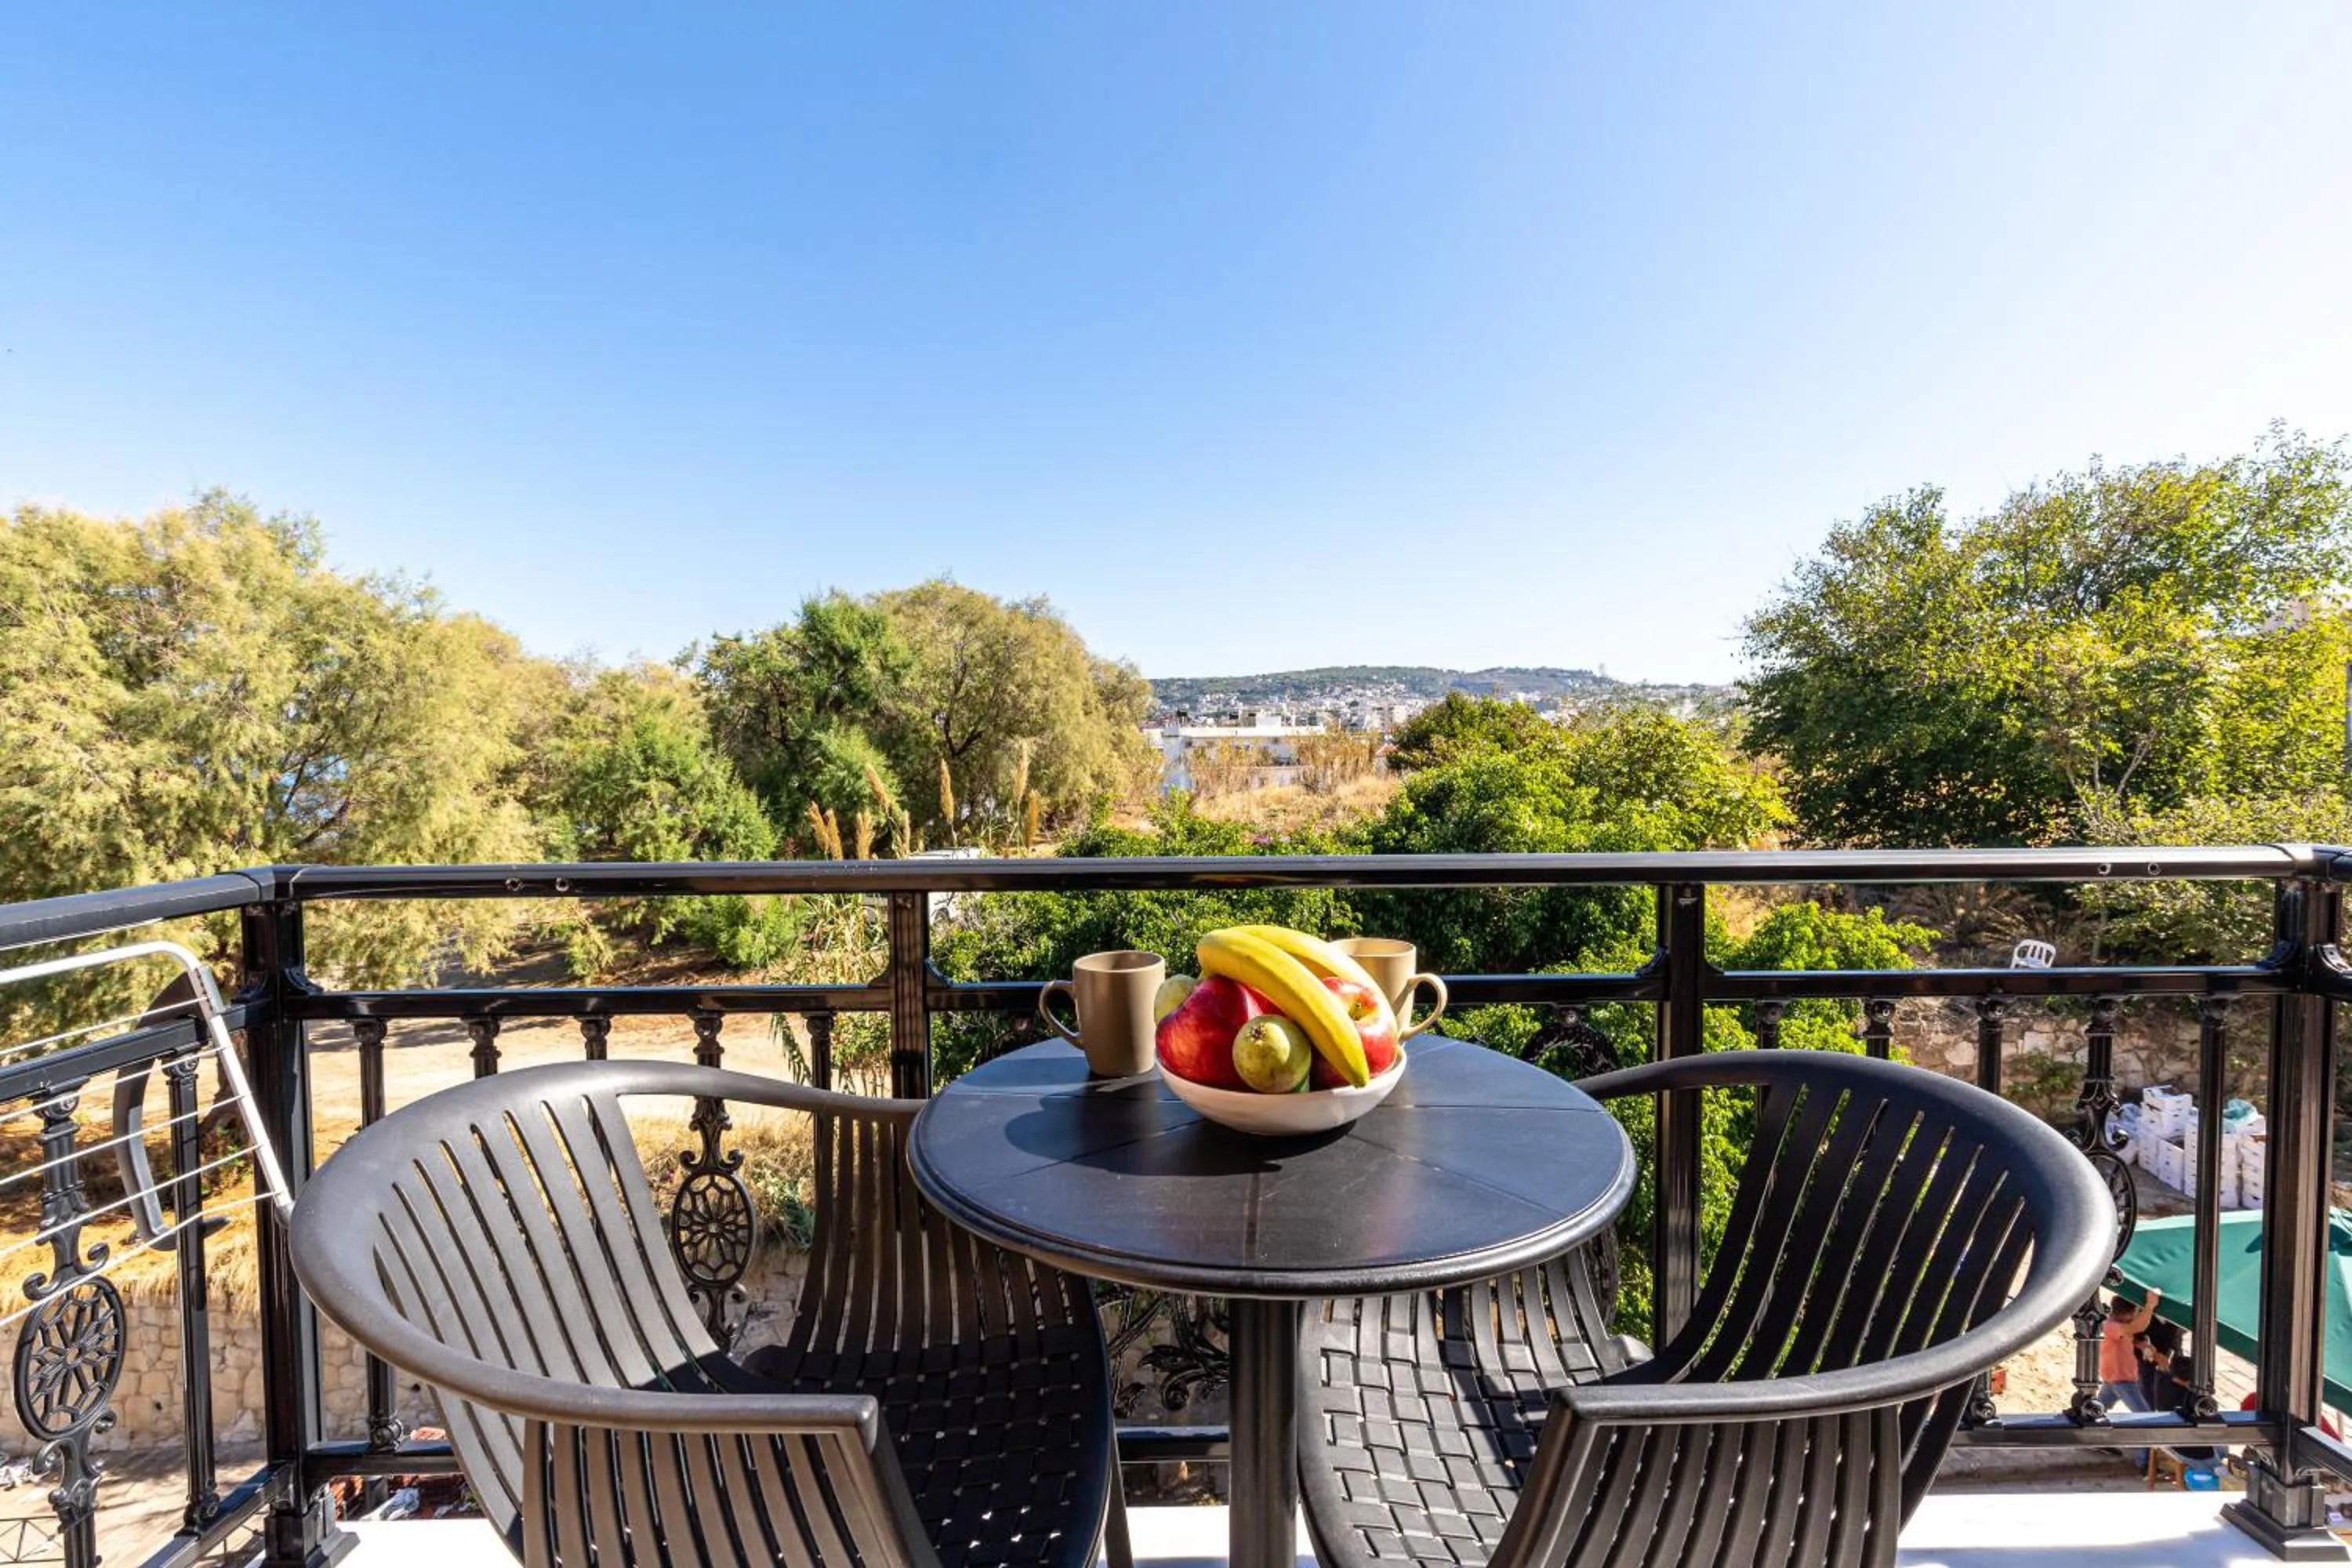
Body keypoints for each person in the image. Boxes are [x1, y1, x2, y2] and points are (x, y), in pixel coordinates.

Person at [2101, 1287, 2159, 1414]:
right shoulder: (2112, 1326)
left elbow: (2125, 1337)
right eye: (2136, 1312)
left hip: (2112, 1380)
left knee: (2096, 1411)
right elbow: (2137, 1327)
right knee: (2145, 1418)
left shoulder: (2114, 1325)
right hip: (2123, 1381)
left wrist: (2140, 1344)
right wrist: (2150, 1306)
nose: (2136, 1315)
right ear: (2130, 1313)